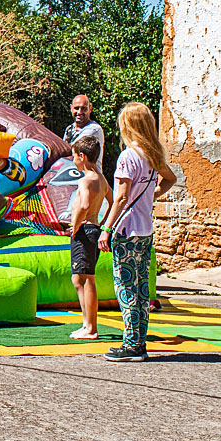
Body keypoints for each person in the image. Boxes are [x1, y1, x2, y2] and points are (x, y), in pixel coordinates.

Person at [97, 102, 177, 362]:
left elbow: (120, 198)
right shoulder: (153, 155)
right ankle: (139, 341)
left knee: (126, 287)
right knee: (142, 288)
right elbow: (170, 179)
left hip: (126, 229)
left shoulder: (128, 157)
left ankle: (131, 345)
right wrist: (151, 196)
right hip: (145, 229)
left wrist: (106, 228)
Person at [68, 135, 112, 340]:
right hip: (92, 229)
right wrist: (102, 223)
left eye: (74, 156)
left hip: (84, 230)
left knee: (87, 278)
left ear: (82, 156)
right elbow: (112, 201)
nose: (73, 160)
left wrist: (76, 225)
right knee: (78, 278)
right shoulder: (101, 179)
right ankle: (87, 324)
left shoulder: (86, 180)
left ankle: (91, 327)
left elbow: (84, 205)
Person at [62, 95, 105, 171]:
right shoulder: (69, 129)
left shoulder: (94, 129)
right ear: (71, 108)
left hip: (90, 175)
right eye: (76, 108)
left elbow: (71, 150)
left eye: (84, 108)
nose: (79, 112)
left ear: (90, 109)